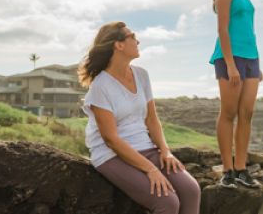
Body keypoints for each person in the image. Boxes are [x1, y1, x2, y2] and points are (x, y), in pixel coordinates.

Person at [79, 21, 200, 214]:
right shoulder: (101, 86)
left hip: (146, 147)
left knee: (191, 190)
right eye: (133, 37)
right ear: (118, 45)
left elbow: (152, 119)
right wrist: (151, 169)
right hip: (112, 155)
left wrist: (165, 151)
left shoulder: (142, 75)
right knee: (168, 202)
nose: (138, 41)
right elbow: (111, 140)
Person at [209, 0, 262, 188]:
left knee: (247, 114)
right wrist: (230, 65)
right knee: (229, 113)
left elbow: (249, 30)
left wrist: (256, 62)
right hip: (230, 58)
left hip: (251, 58)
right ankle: (227, 171)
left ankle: (241, 168)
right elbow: (222, 30)